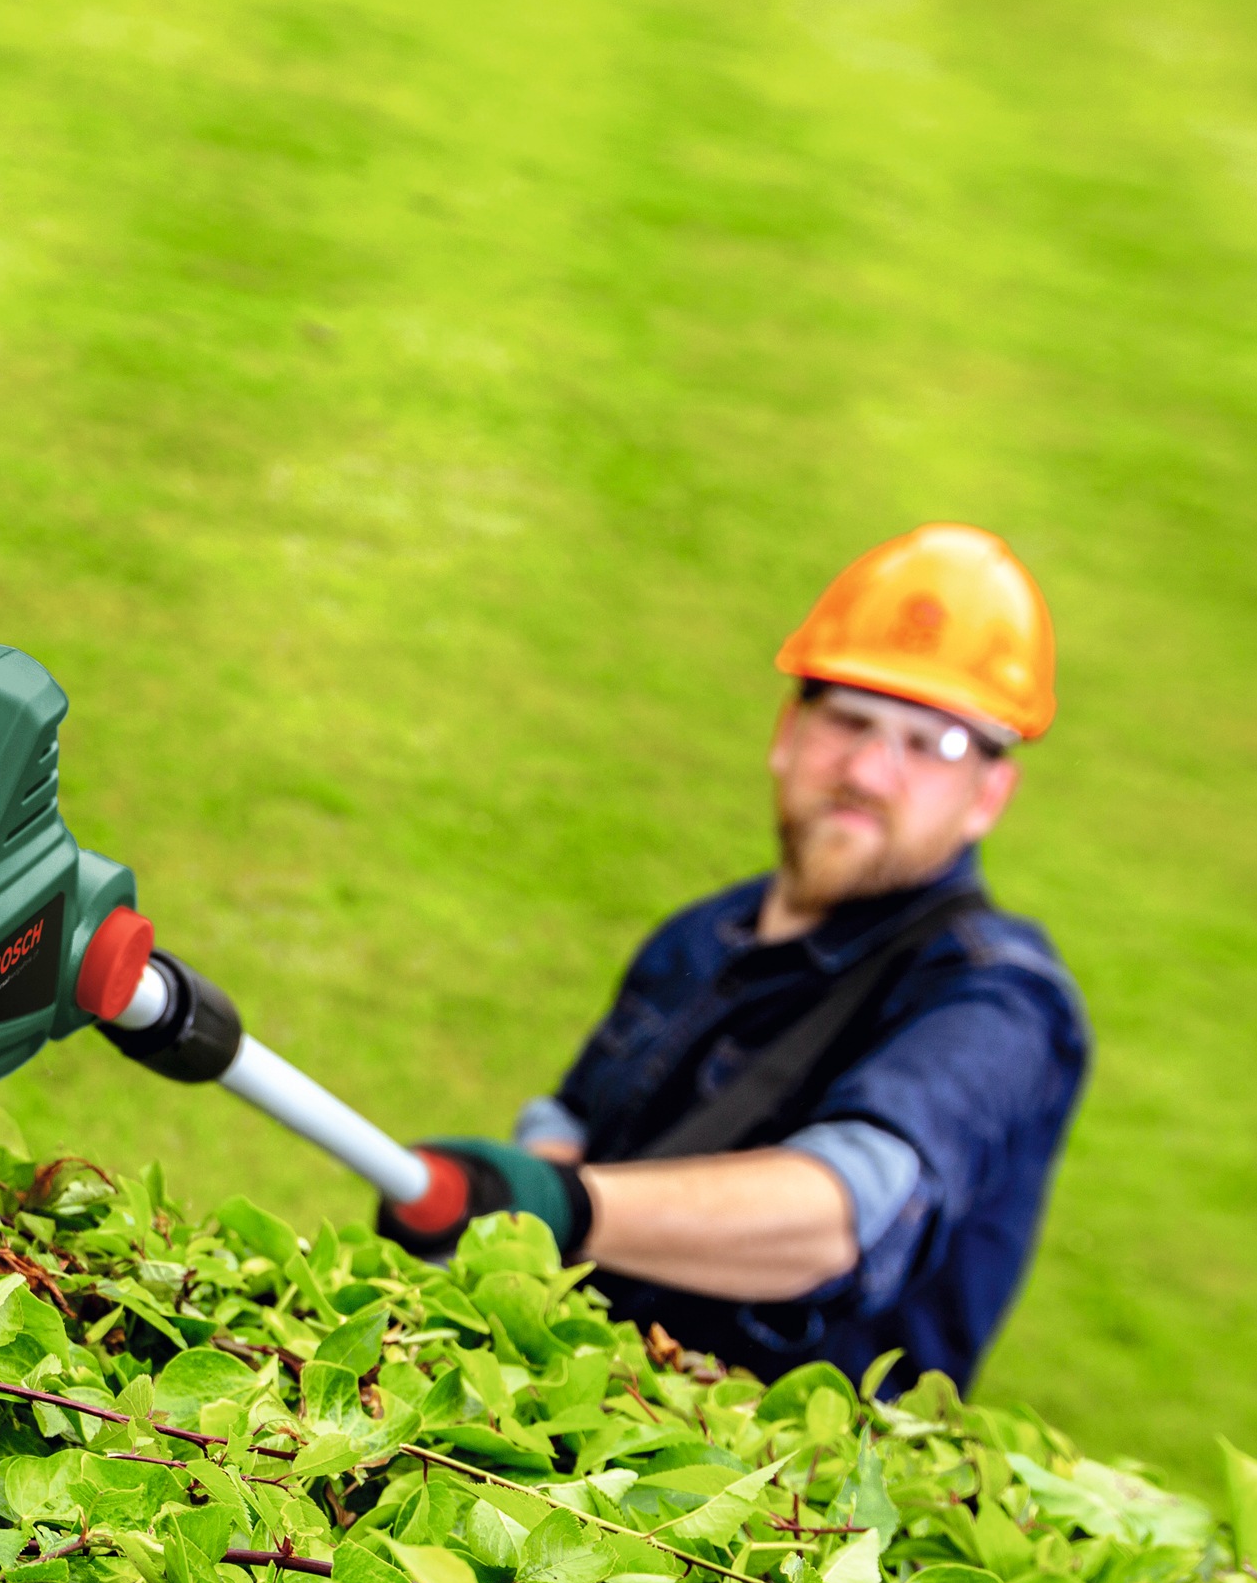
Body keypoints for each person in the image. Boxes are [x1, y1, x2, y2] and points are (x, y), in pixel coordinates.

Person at [376, 523, 1090, 1394]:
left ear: (990, 795)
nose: (868, 770)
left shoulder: (998, 1002)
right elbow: (575, 1119)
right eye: (852, 720)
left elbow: (839, 1218)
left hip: (777, 1500)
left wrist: (563, 1208)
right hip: (574, 1404)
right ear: (788, 733)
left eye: (930, 744)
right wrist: (510, 1189)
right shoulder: (705, 932)